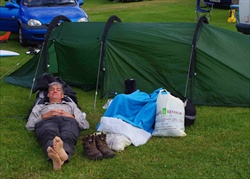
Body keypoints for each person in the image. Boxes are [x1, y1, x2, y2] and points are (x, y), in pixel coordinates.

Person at [26, 82, 89, 170]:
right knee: (49, 133)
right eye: (52, 90)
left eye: (58, 90)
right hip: (47, 121)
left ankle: (57, 157)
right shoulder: (40, 107)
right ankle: (63, 156)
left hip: (68, 120)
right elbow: (29, 125)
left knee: (68, 134)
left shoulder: (71, 105)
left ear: (62, 95)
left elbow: (85, 124)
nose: (55, 91)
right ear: (48, 94)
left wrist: (71, 116)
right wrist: (44, 116)